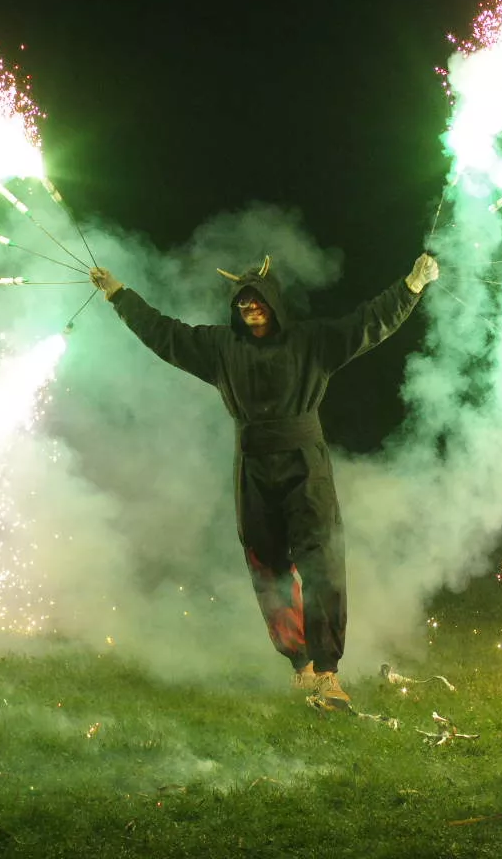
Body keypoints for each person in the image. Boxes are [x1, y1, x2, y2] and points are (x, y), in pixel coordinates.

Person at [88, 251, 439, 710]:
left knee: (321, 563)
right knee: (267, 564)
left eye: (256, 300)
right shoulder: (219, 348)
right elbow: (163, 333)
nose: (248, 308)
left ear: (273, 301)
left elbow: (368, 324)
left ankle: (328, 673)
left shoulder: (312, 341)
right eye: (241, 302)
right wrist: (118, 294)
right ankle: (301, 665)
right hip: (253, 466)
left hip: (305, 466)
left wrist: (411, 286)